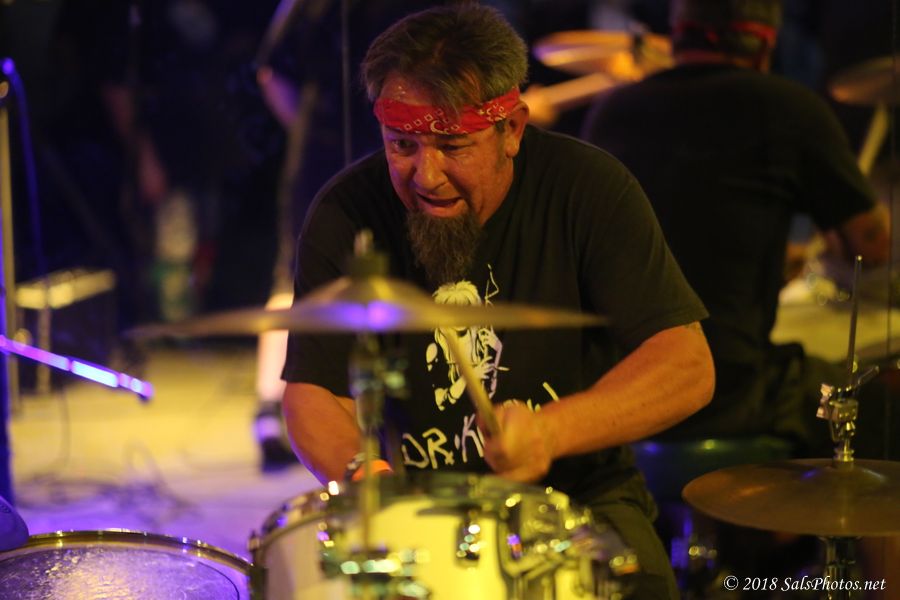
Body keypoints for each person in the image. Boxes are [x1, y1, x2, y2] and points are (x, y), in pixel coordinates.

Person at [280, 4, 714, 597]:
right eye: (402, 144)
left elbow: (687, 365)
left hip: (578, 501)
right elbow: (311, 392)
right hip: (420, 514)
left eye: (453, 145)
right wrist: (367, 478)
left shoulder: (588, 188)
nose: (426, 175)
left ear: (511, 129)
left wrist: (551, 432)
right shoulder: (346, 212)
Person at [582, 0, 892, 459]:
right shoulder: (788, 108)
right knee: (882, 399)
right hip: (726, 392)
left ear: (677, 34)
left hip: (616, 388)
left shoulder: (611, 111)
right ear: (765, 45)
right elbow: (873, 244)